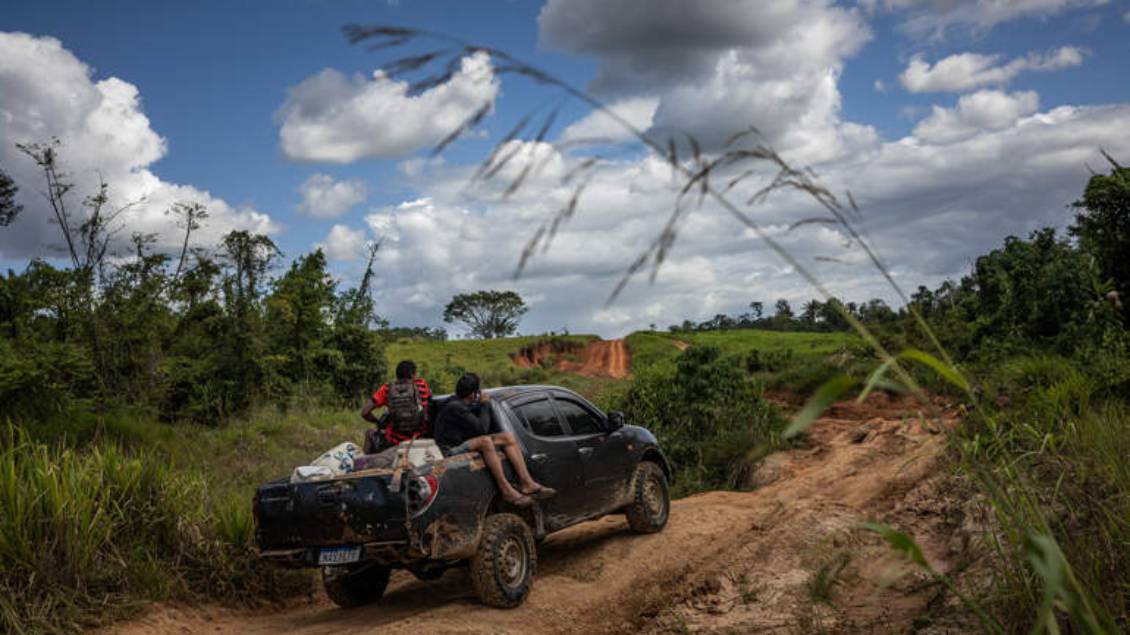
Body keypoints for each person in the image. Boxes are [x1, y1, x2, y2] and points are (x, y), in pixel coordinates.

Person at [433, 373, 555, 507]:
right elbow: (482, 429)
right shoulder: (455, 407)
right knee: (485, 441)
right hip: (450, 450)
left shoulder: (458, 402)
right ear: (473, 394)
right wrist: (485, 404)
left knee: (508, 437)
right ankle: (506, 489)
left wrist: (480, 405)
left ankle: (527, 483)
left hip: (461, 442)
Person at [361, 360, 431, 454]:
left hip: (395, 442)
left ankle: (364, 461)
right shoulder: (421, 385)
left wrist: (379, 423)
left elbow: (365, 412)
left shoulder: (387, 388)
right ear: (412, 375)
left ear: (397, 375)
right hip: (419, 439)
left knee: (370, 433)